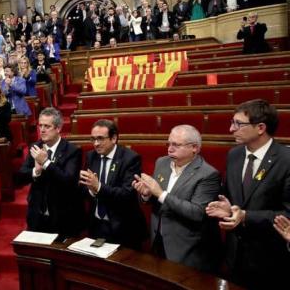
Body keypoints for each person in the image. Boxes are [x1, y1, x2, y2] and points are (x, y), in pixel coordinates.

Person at [205, 99, 290, 289]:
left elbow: (288, 214)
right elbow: (229, 198)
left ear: (260, 127)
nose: (231, 129)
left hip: (270, 261)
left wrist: (246, 216)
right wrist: (225, 209)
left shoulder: (286, 160)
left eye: (238, 124)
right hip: (234, 257)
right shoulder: (234, 155)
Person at [132, 125, 221, 272]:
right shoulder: (162, 162)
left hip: (186, 247)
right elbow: (156, 199)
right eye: (168, 143)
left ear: (194, 148)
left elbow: (197, 213)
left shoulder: (208, 174)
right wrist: (146, 194)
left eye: (176, 145)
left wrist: (160, 193)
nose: (170, 149)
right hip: (158, 239)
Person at [79, 119, 146, 249]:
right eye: (93, 139)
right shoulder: (91, 156)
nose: (96, 144)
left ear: (114, 138)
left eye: (100, 139)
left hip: (123, 228)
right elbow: (84, 189)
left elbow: (127, 194)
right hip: (97, 226)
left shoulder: (130, 158)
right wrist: (91, 189)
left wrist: (97, 187)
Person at [19, 107, 84, 238]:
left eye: (47, 126)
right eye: (40, 125)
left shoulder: (72, 151)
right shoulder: (35, 147)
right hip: (37, 214)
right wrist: (35, 171)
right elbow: (20, 177)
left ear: (58, 128)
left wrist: (46, 163)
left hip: (62, 216)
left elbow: (68, 181)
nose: (42, 130)